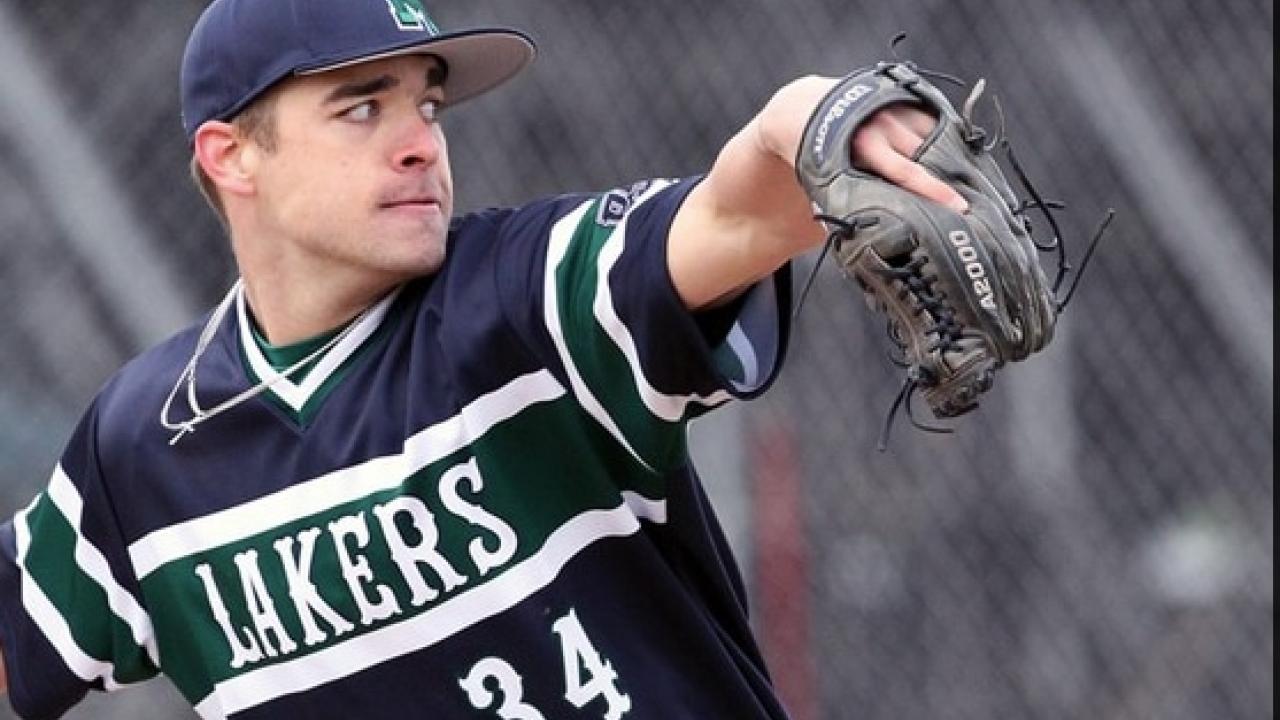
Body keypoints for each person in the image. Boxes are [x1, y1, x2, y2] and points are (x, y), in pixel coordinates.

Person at [0, 0, 965, 717]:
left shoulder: (523, 301)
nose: (421, 143)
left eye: (427, 106)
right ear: (231, 155)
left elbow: (735, 214)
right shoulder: (145, 451)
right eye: (362, 109)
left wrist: (809, 116)